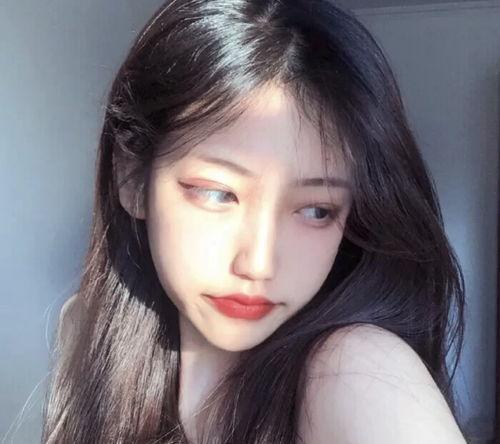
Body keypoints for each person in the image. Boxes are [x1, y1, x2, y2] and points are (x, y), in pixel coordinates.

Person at [41, 0, 468, 442]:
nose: (259, 264)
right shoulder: (84, 332)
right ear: (133, 180)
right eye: (217, 193)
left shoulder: (356, 370)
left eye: (317, 210)